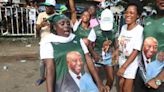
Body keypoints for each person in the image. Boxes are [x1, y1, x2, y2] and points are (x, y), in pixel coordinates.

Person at [39, 14, 109, 92]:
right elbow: (50, 69)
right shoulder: (48, 42)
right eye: (62, 24)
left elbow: (89, 61)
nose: (66, 26)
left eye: (68, 24)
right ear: (55, 27)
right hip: (63, 86)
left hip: (86, 84)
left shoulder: (77, 39)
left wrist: (99, 83)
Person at [116, 3, 143, 92]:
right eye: (127, 12)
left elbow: (136, 51)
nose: (128, 15)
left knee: (126, 89)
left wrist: (124, 67)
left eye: (132, 13)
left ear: (137, 15)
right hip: (121, 61)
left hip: (131, 65)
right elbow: (120, 43)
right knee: (120, 86)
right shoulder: (123, 27)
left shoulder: (139, 30)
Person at [88, 8, 116, 89]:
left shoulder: (115, 29)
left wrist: (116, 51)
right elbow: (89, 44)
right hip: (97, 55)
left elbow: (117, 44)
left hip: (109, 57)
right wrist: (93, 54)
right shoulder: (95, 29)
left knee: (111, 79)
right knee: (93, 78)